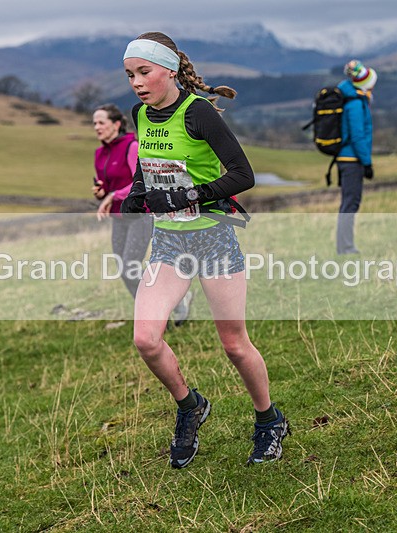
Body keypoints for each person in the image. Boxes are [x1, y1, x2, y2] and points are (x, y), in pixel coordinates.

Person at [120, 31, 289, 468]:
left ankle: (269, 420)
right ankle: (190, 405)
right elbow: (147, 164)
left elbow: (243, 175)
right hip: (168, 243)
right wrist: (136, 193)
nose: (136, 83)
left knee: (234, 345)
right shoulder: (140, 114)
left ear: (168, 70)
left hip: (213, 238)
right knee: (145, 339)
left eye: (143, 72)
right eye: (130, 75)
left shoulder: (198, 113)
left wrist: (186, 196)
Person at [92, 103, 192, 325]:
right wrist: (102, 193)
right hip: (118, 218)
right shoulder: (99, 153)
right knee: (124, 269)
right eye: (94, 123)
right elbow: (106, 186)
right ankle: (159, 310)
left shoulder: (132, 147)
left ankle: (160, 312)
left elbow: (143, 180)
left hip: (140, 214)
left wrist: (113, 195)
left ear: (116, 124)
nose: (97, 127)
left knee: (130, 265)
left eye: (101, 122)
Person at [335, 60, 377, 254]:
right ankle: (346, 247)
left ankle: (345, 246)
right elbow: (357, 135)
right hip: (351, 160)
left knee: (349, 202)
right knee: (350, 203)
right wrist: (367, 162)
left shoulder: (353, 99)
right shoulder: (355, 104)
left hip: (346, 158)